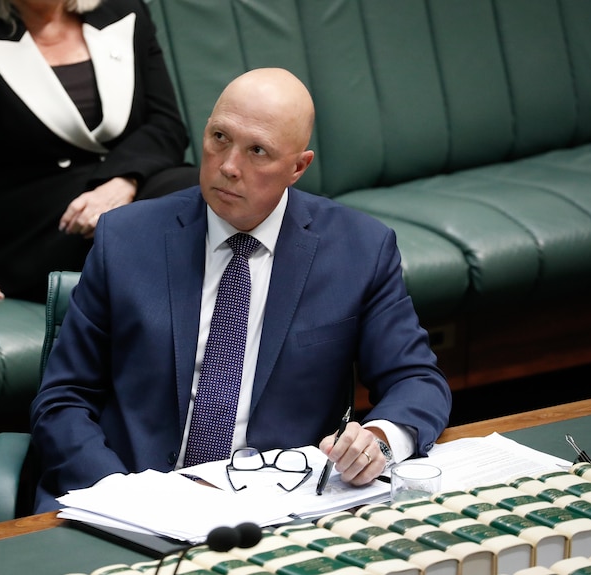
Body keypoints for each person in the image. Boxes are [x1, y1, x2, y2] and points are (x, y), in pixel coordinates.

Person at [29, 68, 452, 513]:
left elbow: (417, 380)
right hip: (126, 496)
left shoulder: (360, 250)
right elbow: (62, 399)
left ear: (297, 167)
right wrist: (120, 493)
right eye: (219, 138)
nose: (229, 166)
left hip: (275, 511)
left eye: (257, 151)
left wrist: (380, 441)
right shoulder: (126, 238)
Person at [0, 0, 196, 304]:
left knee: (208, 193)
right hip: (39, 232)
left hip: (129, 190)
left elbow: (165, 124)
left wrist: (121, 183)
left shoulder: (124, 11)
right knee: (156, 231)